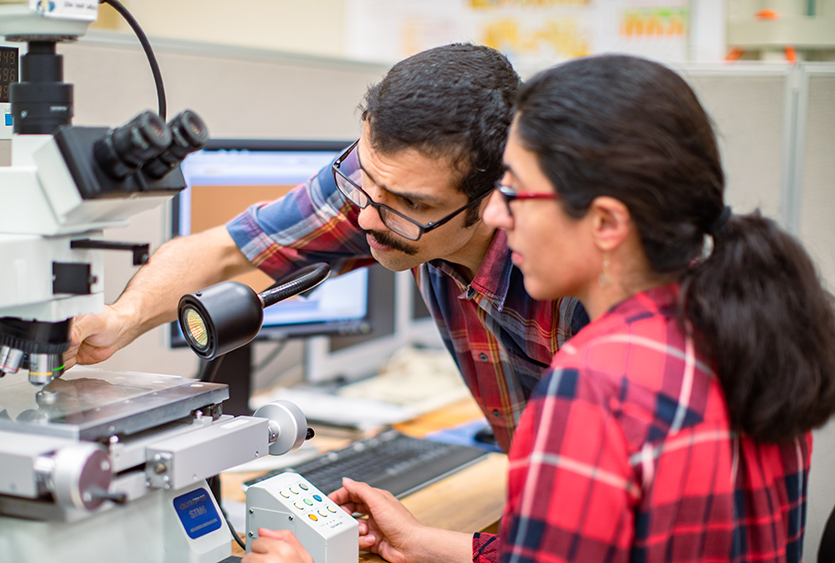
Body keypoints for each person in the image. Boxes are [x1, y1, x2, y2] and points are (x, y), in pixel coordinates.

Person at [243, 55, 835, 563]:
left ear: (605, 222)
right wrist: (428, 543)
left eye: (517, 192)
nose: (498, 216)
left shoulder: (592, 384)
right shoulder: (747, 330)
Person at [66, 43, 588, 453]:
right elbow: (227, 251)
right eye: (365, 178)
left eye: (408, 203)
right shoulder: (377, 190)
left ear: (495, 195)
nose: (364, 217)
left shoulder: (573, 281)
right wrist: (122, 320)